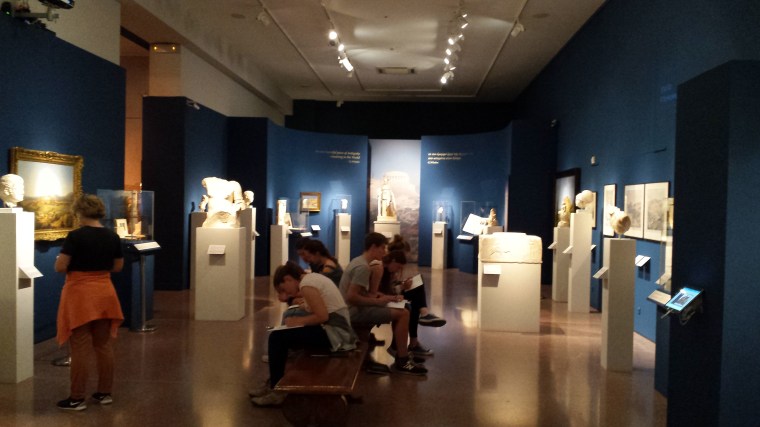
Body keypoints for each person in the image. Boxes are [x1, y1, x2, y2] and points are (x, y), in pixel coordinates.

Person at [250, 262, 358, 406]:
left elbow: (322, 316)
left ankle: (277, 391)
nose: (286, 294)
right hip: (337, 330)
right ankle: (275, 383)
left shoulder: (306, 285)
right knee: (283, 337)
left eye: (283, 289)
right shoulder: (311, 279)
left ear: (288, 279)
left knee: (277, 338)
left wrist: (298, 321)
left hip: (336, 333)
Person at [54, 194, 125, 411]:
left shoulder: (75, 236)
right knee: (103, 345)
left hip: (80, 295)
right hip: (105, 292)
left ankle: (77, 398)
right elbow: (118, 267)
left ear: (79, 212)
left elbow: (60, 266)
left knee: (80, 347)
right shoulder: (112, 236)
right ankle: (105, 393)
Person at [338, 232, 427, 376]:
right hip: (352, 311)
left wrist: (387, 298)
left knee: (403, 308)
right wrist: (378, 301)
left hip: (352, 308)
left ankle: (400, 352)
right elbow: (352, 297)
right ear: (373, 247)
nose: (384, 252)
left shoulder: (359, 261)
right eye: (382, 248)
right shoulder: (363, 267)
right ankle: (402, 359)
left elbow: (363, 293)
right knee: (404, 314)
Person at [372, 250, 446, 359]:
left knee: (417, 283)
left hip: (386, 297)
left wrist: (402, 286)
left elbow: (390, 289)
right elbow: (376, 292)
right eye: (398, 267)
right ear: (393, 261)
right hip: (379, 300)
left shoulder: (388, 271)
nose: (399, 270)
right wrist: (398, 291)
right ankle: (413, 339)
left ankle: (423, 315)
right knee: (409, 306)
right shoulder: (378, 268)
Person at [385, 235, 447, 327]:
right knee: (415, 296)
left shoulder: (391, 267)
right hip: (388, 297)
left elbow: (391, 285)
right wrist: (402, 287)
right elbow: (386, 290)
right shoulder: (385, 268)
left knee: (417, 285)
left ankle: (423, 313)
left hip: (392, 293)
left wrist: (402, 284)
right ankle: (424, 313)